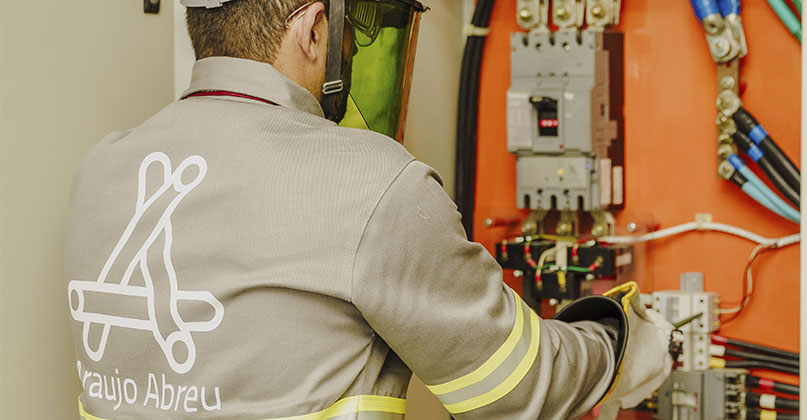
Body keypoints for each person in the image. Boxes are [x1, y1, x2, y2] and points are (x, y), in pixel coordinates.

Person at [65, 0, 673, 418]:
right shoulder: (371, 182)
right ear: (312, 28)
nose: (349, 48)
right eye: (352, 33)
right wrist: (620, 341)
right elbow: (520, 390)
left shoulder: (101, 170)